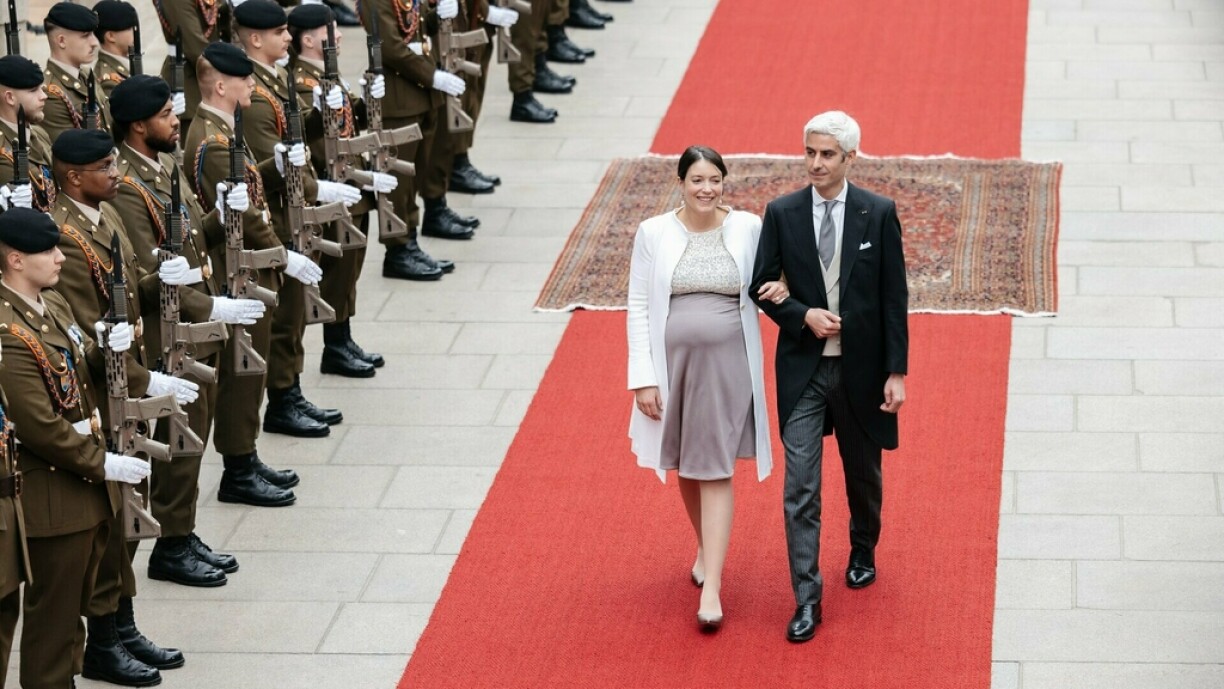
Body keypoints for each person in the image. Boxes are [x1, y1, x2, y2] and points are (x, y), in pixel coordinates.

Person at [749, 111, 909, 644]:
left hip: (861, 372)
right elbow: (761, 285)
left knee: (863, 476)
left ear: (850, 158)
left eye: (827, 155)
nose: (815, 163)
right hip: (804, 372)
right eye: (810, 153)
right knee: (801, 489)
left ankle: (863, 547)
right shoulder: (782, 212)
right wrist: (801, 315)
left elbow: (893, 299)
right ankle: (807, 598)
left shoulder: (878, 213)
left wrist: (896, 372)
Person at [108, 73, 260, 587]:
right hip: (166, 333)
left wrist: (221, 213)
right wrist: (213, 304)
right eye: (167, 117)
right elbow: (152, 275)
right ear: (137, 126)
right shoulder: (127, 188)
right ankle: (170, 544)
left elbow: (193, 240)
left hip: (192, 326)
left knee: (194, 436)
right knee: (177, 441)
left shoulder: (164, 164)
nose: (177, 122)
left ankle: (182, 531)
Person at [626, 145, 778, 633]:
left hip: (728, 364)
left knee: (713, 466)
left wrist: (786, 289)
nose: (707, 188)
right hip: (673, 367)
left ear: (724, 182)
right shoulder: (653, 232)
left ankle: (712, 585)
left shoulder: (749, 227)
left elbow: (777, 274)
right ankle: (704, 547)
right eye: (697, 180)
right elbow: (638, 305)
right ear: (681, 183)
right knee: (686, 466)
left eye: (715, 179)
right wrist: (642, 377)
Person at [0, 207, 149, 689]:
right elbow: (38, 425)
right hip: (51, 497)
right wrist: (102, 463)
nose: (60, 257)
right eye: (48, 250)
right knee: (53, 626)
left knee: (69, 622)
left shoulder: (53, 304)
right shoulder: (7, 333)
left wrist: (106, 347)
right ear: (16, 260)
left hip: (79, 488)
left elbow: (77, 372)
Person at [41, 1, 110, 141]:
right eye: (85, 36)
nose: (94, 43)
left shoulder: (85, 74)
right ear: (61, 41)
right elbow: (73, 153)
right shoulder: (51, 93)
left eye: (93, 34)